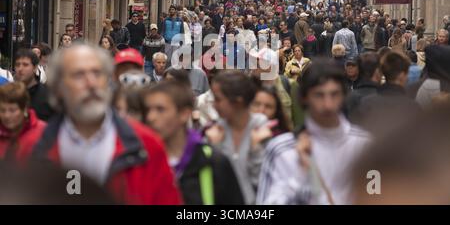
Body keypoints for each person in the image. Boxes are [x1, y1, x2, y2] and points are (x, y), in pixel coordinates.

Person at [23, 44, 182, 205]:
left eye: (97, 74)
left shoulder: (146, 145)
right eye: (79, 75)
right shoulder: (32, 147)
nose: (91, 83)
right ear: (58, 88)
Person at [257, 59, 371, 205]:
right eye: (319, 95)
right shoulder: (281, 150)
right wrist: (300, 175)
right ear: (305, 98)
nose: (328, 104)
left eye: (334, 94)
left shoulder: (366, 146)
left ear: (343, 96)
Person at [141, 81, 245, 205]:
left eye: (160, 109)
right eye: (148, 110)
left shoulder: (213, 162)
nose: (150, 117)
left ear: (184, 114)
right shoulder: (139, 160)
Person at [206, 71, 272, 204]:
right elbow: (211, 182)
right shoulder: (214, 132)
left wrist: (256, 150)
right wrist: (214, 149)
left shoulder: (262, 129)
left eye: (218, 99)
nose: (214, 105)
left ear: (238, 102)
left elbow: (266, 181)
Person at [0, 82, 46, 160]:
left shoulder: (43, 133)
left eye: (12, 110)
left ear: (24, 108)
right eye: (2, 110)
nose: (6, 116)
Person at [14, 49, 54, 122]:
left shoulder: (48, 95)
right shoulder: (9, 93)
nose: (20, 69)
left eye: (25, 65)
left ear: (35, 68)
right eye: (17, 65)